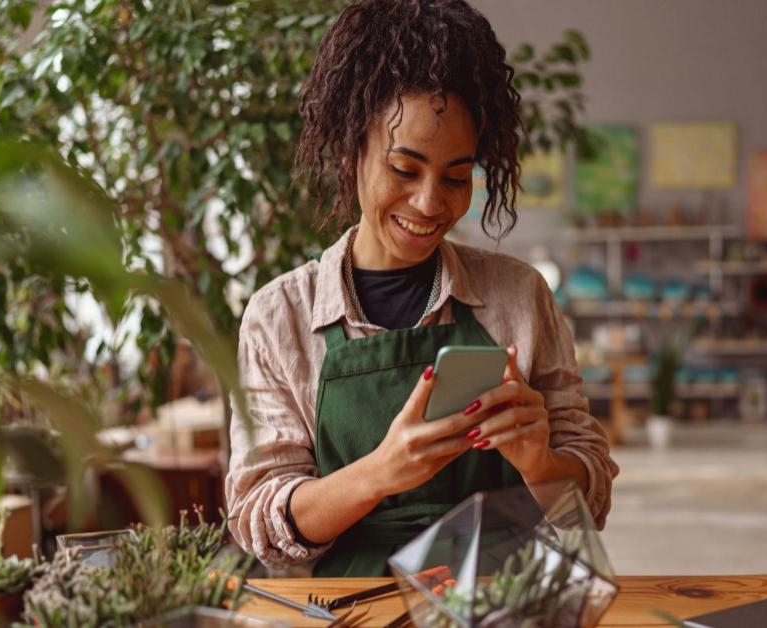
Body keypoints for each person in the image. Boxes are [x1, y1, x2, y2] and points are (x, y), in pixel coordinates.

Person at [226, 0, 617, 577]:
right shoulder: (280, 315)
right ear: (349, 150)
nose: (432, 203)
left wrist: (541, 462)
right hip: (348, 609)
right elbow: (260, 519)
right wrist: (382, 470)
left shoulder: (518, 296)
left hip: (499, 603)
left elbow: (586, 500)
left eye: (457, 177)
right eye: (404, 170)